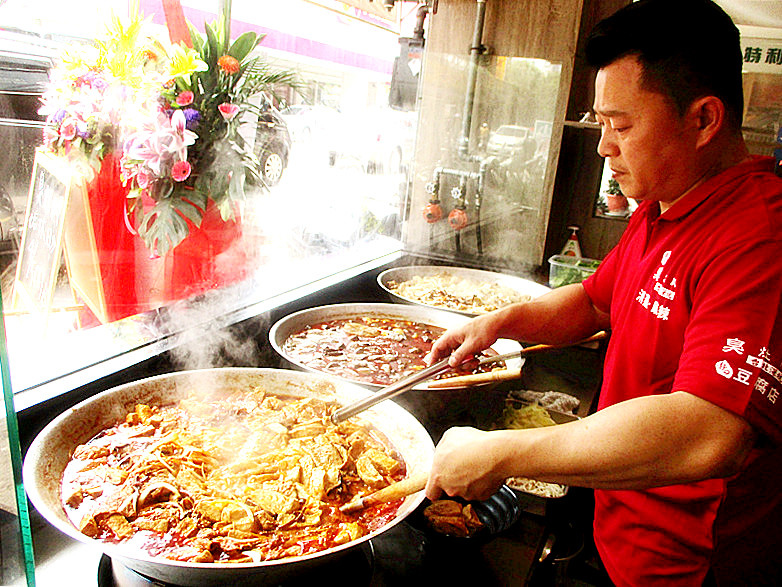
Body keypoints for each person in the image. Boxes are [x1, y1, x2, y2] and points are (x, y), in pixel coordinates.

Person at [423, 1, 782, 585]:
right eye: (600, 124)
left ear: (705, 119)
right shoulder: (665, 205)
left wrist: (502, 453)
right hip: (623, 531)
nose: (603, 147)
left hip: (690, 567)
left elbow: (711, 432)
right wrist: (499, 321)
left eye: (622, 124)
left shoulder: (759, 236)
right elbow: (594, 302)